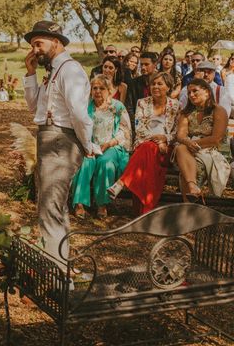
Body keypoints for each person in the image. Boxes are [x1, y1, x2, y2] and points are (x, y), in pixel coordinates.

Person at [23, 20, 94, 265]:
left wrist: (87, 144)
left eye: (38, 44)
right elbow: (34, 107)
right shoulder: (52, 71)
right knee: (55, 205)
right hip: (49, 138)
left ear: (56, 41)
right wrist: (30, 74)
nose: (35, 50)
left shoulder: (70, 70)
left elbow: (78, 114)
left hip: (61, 141)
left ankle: (53, 270)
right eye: (33, 45)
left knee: (49, 209)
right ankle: (61, 267)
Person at [108, 72, 181, 215]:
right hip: (145, 145)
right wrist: (156, 140)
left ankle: (122, 182)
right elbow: (140, 129)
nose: (155, 86)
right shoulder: (142, 102)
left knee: (145, 154)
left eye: (160, 84)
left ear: (168, 87)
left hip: (166, 149)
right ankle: (145, 212)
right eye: (153, 84)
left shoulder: (175, 105)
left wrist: (164, 138)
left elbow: (177, 132)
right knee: (147, 154)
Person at [71, 75, 131, 219]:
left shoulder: (117, 107)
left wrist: (110, 144)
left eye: (101, 88)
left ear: (109, 90)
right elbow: (78, 128)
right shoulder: (86, 107)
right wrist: (87, 146)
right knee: (86, 162)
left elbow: (125, 131)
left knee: (105, 162)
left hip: (112, 146)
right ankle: (79, 203)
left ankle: (102, 204)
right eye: (94, 88)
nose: (97, 91)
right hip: (89, 146)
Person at [174, 78, 230, 202]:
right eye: (189, 92)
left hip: (215, 150)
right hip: (190, 151)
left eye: (195, 91)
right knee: (181, 148)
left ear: (207, 92)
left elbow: (216, 139)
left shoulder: (218, 110)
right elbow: (181, 136)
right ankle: (193, 189)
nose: (191, 95)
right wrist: (188, 143)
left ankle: (189, 204)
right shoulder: (186, 113)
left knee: (189, 166)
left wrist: (191, 143)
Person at [125, 51, 158, 127]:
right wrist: (137, 126)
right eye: (141, 64)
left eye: (146, 64)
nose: (143, 67)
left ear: (155, 65)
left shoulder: (162, 83)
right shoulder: (133, 83)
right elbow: (129, 108)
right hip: (138, 125)